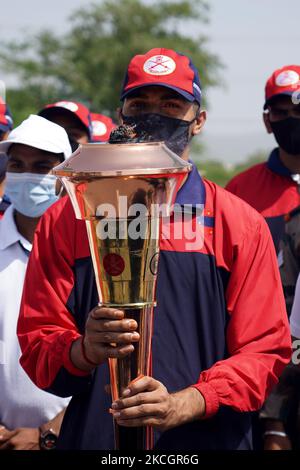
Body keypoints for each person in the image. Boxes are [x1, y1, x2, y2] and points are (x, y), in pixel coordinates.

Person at [17, 48, 291, 450]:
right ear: (121, 113)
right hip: (98, 439)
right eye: (140, 103)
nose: (154, 113)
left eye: (170, 103)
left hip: (208, 440)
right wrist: (82, 350)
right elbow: (39, 338)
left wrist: (189, 401)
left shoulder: (236, 222)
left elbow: (264, 350)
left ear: (198, 120)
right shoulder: (69, 217)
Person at [0, 114, 72, 450]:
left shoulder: (90, 251)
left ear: (64, 174)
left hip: (70, 436)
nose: (27, 175)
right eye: (17, 164)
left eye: (42, 166)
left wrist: (48, 432)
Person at [226, 65, 300, 253]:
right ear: (267, 122)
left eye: (298, 111)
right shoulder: (239, 190)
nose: (291, 119)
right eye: (281, 113)